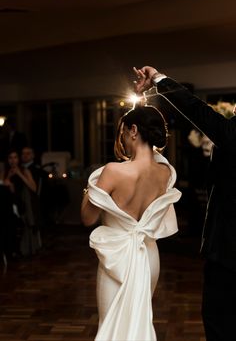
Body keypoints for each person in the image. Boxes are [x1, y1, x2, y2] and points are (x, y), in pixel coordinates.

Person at [133, 65, 236, 341]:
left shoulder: (233, 134)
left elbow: (197, 111)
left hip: (229, 251)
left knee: (218, 320)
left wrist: (158, 79)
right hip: (226, 247)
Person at [81, 105, 181, 341]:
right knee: (138, 322)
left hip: (117, 256)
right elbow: (156, 158)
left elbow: (88, 218)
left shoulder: (112, 171)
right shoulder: (165, 172)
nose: (123, 140)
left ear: (134, 130)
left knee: (112, 329)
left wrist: (90, 187)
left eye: (124, 133)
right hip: (149, 255)